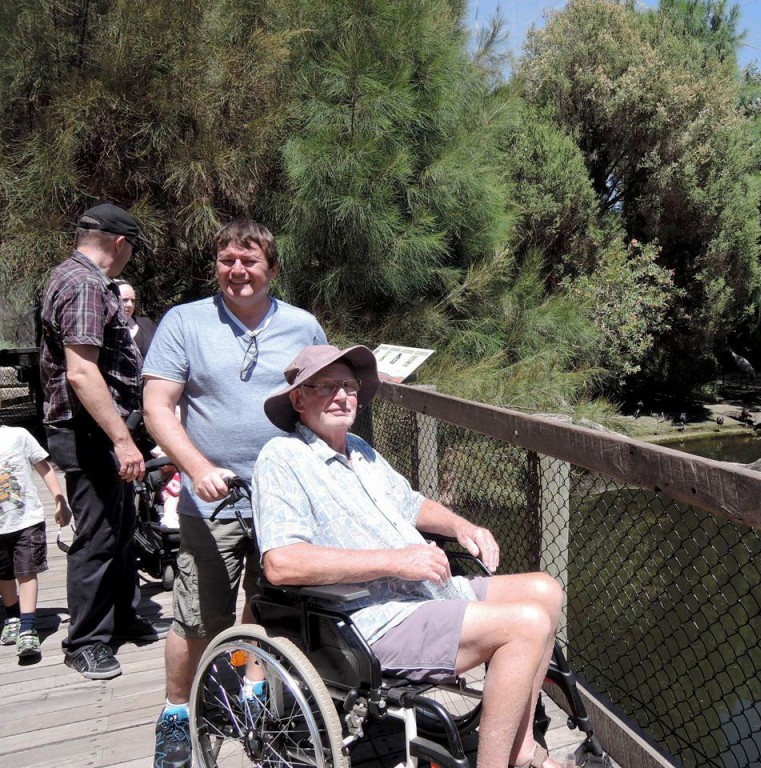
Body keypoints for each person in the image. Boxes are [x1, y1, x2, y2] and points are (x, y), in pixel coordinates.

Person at [252, 344, 569, 768]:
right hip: (368, 619)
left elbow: (411, 503)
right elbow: (281, 563)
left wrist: (462, 526)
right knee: (525, 624)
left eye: (348, 385)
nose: (342, 396)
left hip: (425, 592)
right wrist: (396, 561)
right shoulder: (283, 458)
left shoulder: (362, 450)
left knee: (545, 591)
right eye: (325, 386)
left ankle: (522, 747)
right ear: (298, 398)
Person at [142, 218, 326, 768]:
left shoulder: (302, 326)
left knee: (272, 605)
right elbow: (157, 407)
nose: (237, 271)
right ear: (217, 265)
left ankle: (251, 692)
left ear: (270, 267)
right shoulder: (185, 322)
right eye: (227, 260)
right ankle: (176, 713)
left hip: (284, 496)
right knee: (198, 614)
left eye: (249, 261)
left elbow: (321, 396)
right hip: (212, 496)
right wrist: (196, 467)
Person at [39, 202, 159, 682]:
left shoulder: (76, 277)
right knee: (98, 535)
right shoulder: (86, 283)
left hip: (103, 429)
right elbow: (83, 372)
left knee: (121, 525)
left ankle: (121, 618)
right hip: (90, 432)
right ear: (120, 243)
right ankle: (85, 641)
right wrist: (122, 441)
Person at [0, 424, 71, 658]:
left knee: (27, 571)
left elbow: (45, 467)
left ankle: (28, 626)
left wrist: (60, 500)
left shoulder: (18, 435)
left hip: (26, 519)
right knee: (4, 574)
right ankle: (12, 615)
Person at [114, 280, 158, 358]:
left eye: (133, 300)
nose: (130, 305)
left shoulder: (147, 324)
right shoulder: (102, 327)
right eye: (125, 300)